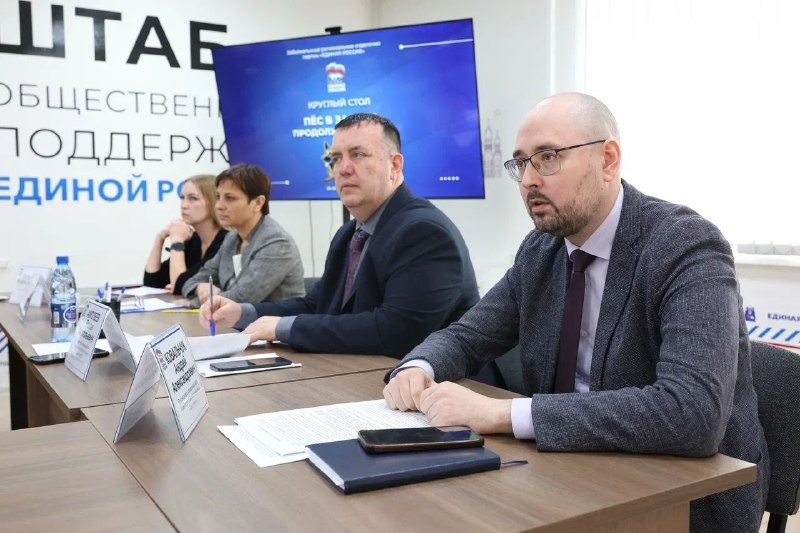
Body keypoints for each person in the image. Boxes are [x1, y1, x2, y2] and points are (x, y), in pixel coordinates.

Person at [383, 93, 768, 532]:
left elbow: (692, 414)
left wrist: (501, 414)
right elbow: (469, 335)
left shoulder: (684, 245)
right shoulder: (542, 249)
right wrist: (418, 367)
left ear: (608, 160)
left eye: (548, 157)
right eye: (521, 163)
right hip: (566, 474)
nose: (529, 180)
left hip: (680, 499)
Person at [201, 113, 479, 357]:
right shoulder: (349, 233)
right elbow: (317, 305)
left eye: (358, 155)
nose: (342, 169)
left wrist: (283, 327)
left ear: (395, 165)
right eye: (335, 158)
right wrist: (243, 312)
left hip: (444, 387)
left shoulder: (424, 231)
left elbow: (398, 331)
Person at [181, 164, 304, 305]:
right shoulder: (232, 238)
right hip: (233, 318)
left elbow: (243, 298)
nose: (219, 206)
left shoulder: (277, 242)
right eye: (218, 197)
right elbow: (193, 280)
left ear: (257, 203)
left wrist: (195, 303)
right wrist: (200, 287)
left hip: (275, 319)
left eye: (230, 198)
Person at [143, 174, 227, 295]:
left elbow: (180, 286)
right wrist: (159, 239)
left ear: (213, 203)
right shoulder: (193, 240)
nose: (183, 205)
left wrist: (177, 240)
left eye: (193, 198)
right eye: (182, 198)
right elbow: (151, 284)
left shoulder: (226, 241)